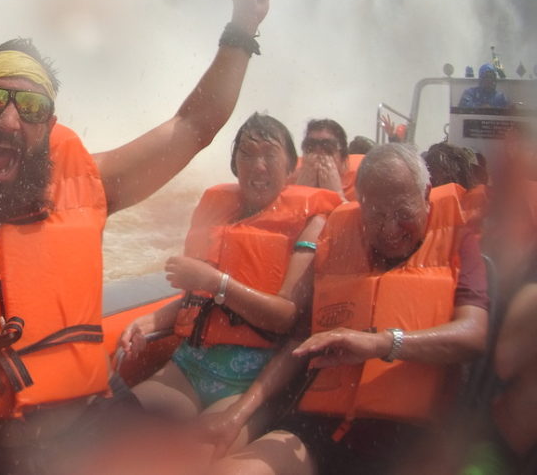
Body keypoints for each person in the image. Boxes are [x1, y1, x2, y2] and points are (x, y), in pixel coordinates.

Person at [0, 0, 272, 472]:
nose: (8, 119)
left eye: (29, 106)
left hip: (95, 419)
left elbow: (192, 125)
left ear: (49, 124)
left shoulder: (88, 188)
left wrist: (242, 26)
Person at [207, 144, 489, 475]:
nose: (389, 229)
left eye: (402, 212)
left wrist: (381, 343)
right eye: (377, 215)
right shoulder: (338, 239)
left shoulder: (461, 244)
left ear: (426, 194)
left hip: (410, 440)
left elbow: (473, 334)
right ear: (360, 205)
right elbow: (300, 342)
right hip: (320, 425)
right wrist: (240, 412)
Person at [119, 114, 340, 435]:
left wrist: (216, 282)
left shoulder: (312, 222)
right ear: (235, 165)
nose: (258, 165)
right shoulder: (219, 210)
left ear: (292, 166)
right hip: (190, 365)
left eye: (269, 154)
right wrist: (149, 321)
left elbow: (285, 318)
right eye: (247, 155)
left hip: (249, 380)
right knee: (116, 423)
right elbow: (199, 302)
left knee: (198, 454)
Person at [291, 118, 361, 201]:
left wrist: (338, 196)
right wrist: (299, 192)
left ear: (343, 159)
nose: (318, 154)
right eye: (310, 146)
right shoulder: (287, 178)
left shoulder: (359, 184)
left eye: (327, 146)